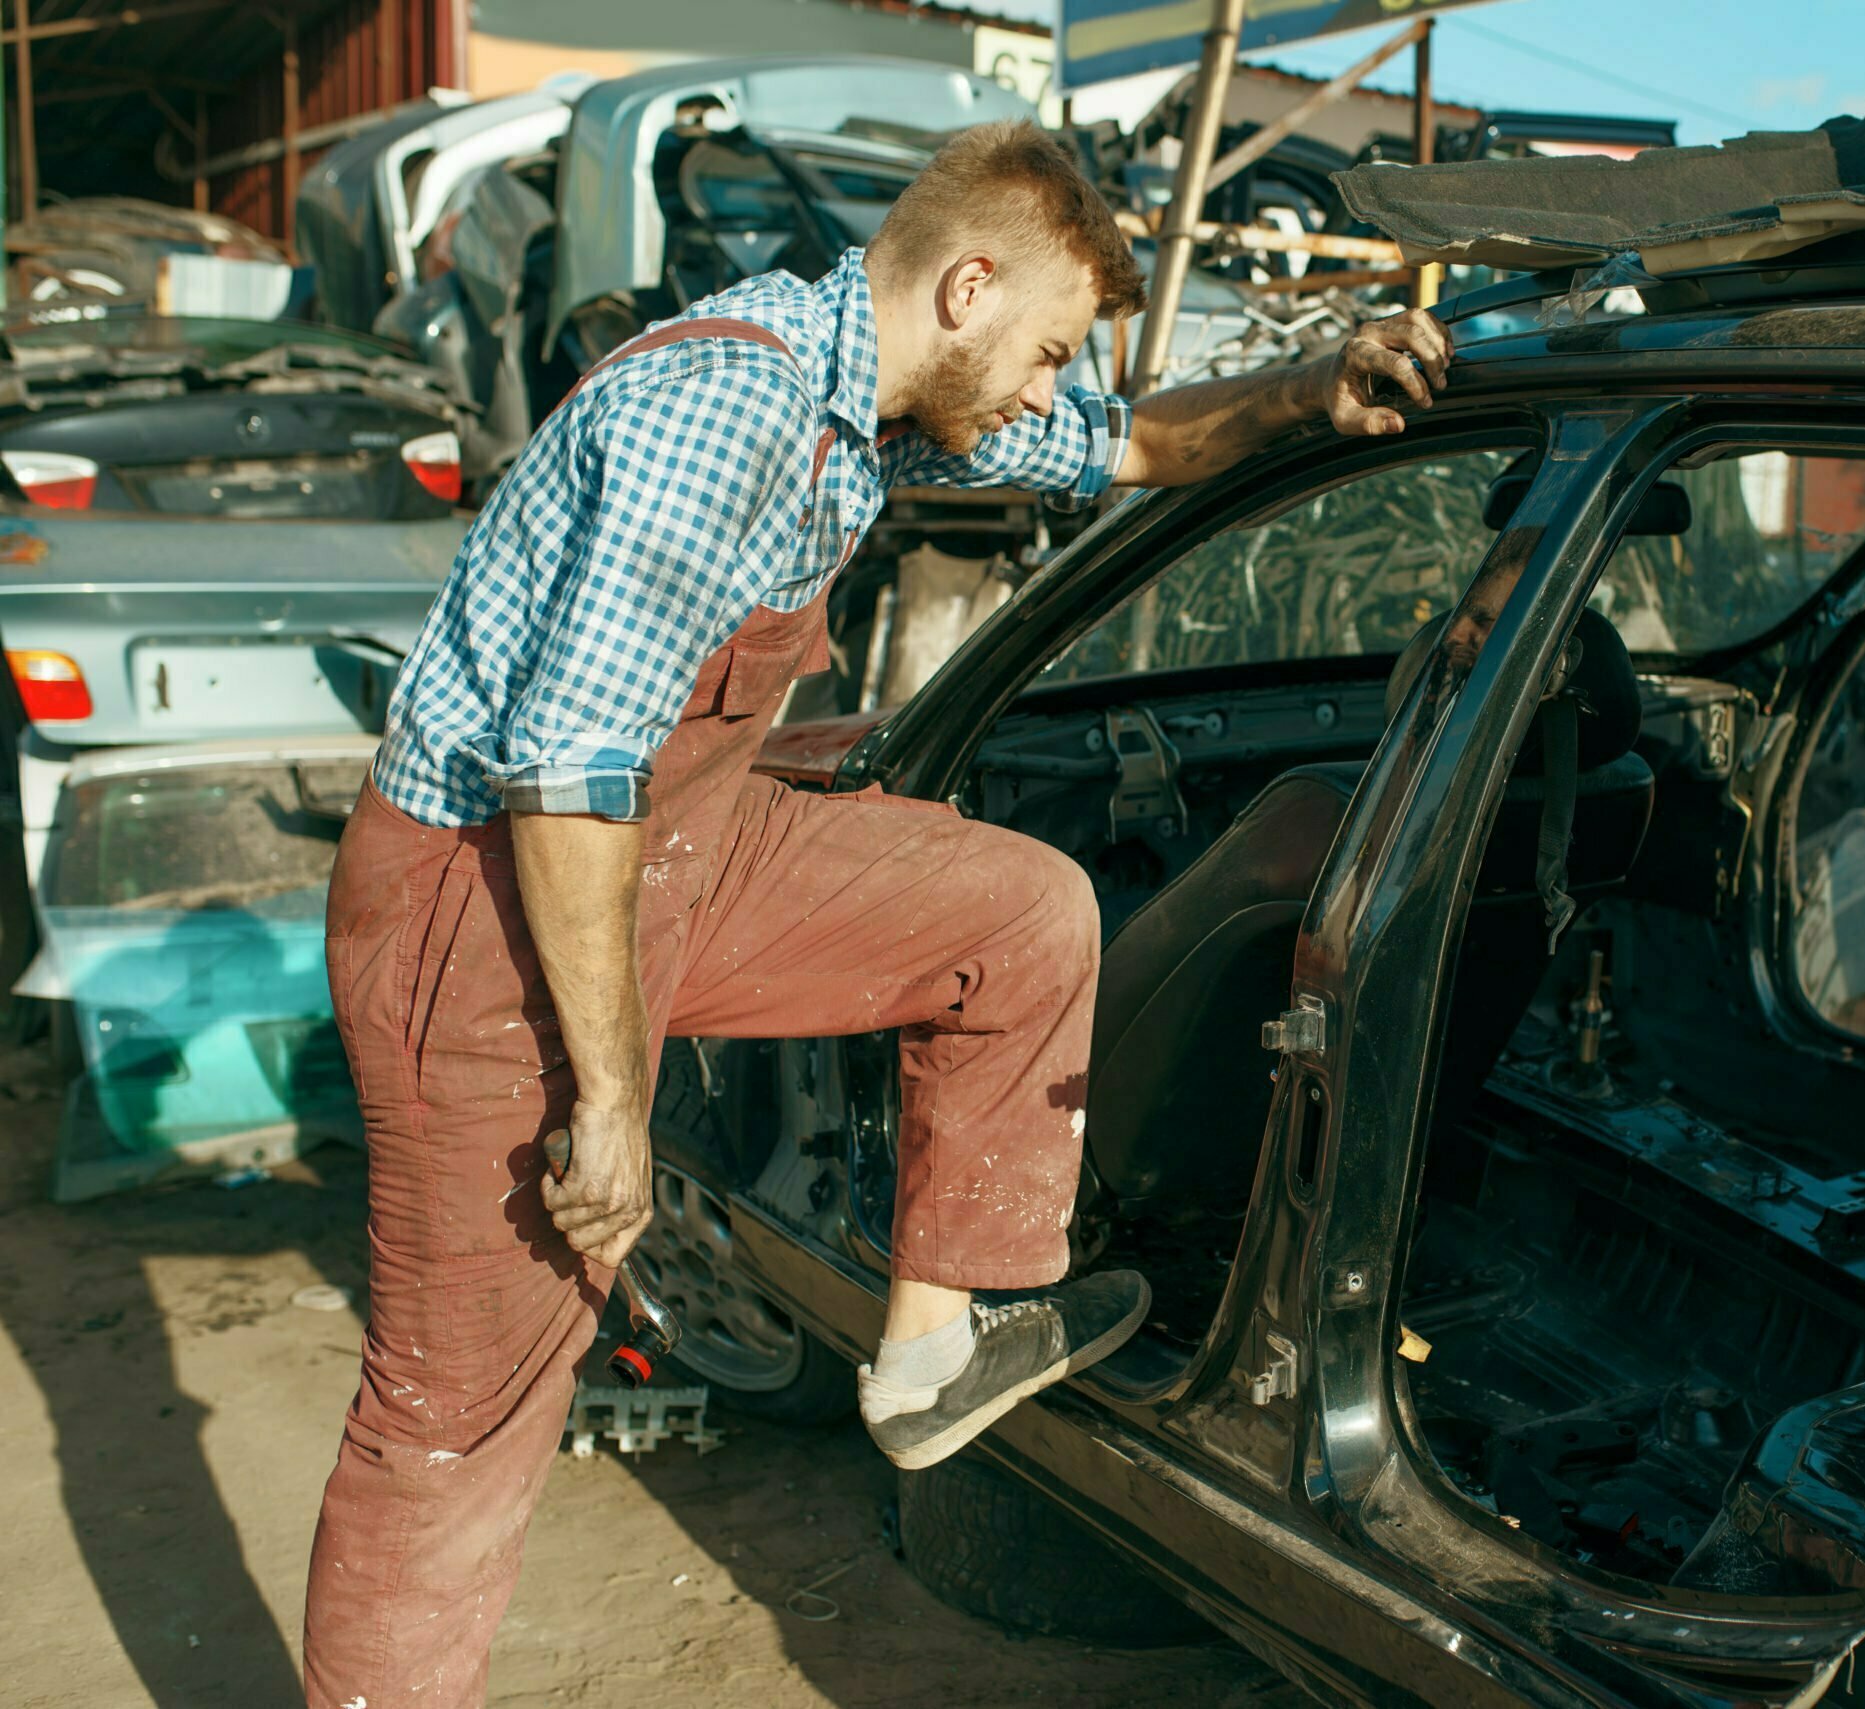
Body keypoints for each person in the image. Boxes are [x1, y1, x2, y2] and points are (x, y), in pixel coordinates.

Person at [300, 119, 1451, 1708]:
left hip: (675, 849)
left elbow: (1123, 447)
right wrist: (616, 1102)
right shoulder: (735, 409)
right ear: (969, 287)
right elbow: (564, 776)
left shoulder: (878, 406)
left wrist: (1304, 391)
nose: (1050, 387)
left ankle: (928, 1347)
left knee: (1024, 911)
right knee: (457, 1413)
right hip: (488, 909)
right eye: (1048, 348)